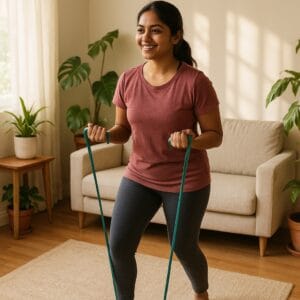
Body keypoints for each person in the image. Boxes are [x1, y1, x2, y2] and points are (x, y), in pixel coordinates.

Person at [88, 1, 223, 299]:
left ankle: (201, 292)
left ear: (176, 36)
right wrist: (105, 135)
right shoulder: (128, 79)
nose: (145, 38)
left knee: (183, 246)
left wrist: (192, 140)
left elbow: (215, 136)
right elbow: (122, 132)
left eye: (156, 31)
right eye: (140, 30)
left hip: (186, 180)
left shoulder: (195, 82)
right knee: (119, 245)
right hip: (140, 175)